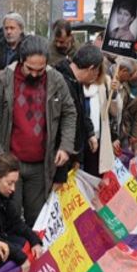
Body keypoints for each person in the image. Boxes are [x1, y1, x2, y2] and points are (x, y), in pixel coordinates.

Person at [0, 35, 77, 225]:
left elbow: (69, 113)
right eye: (30, 69)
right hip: (10, 162)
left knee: (37, 218)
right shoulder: (3, 81)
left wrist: (66, 146)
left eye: (40, 70)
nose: (34, 74)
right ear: (21, 61)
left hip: (41, 166)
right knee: (12, 215)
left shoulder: (56, 80)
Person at [54, 44, 102, 175]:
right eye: (97, 71)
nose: (96, 76)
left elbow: (81, 114)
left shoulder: (76, 82)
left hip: (72, 153)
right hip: (60, 156)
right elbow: (61, 126)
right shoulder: (61, 82)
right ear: (91, 69)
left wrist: (90, 133)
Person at [0, 153, 44, 260]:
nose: (13, 189)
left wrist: (35, 241)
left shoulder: (4, 197)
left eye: (14, 183)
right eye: (9, 183)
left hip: (2, 236)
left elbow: (17, 223)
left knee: (26, 243)